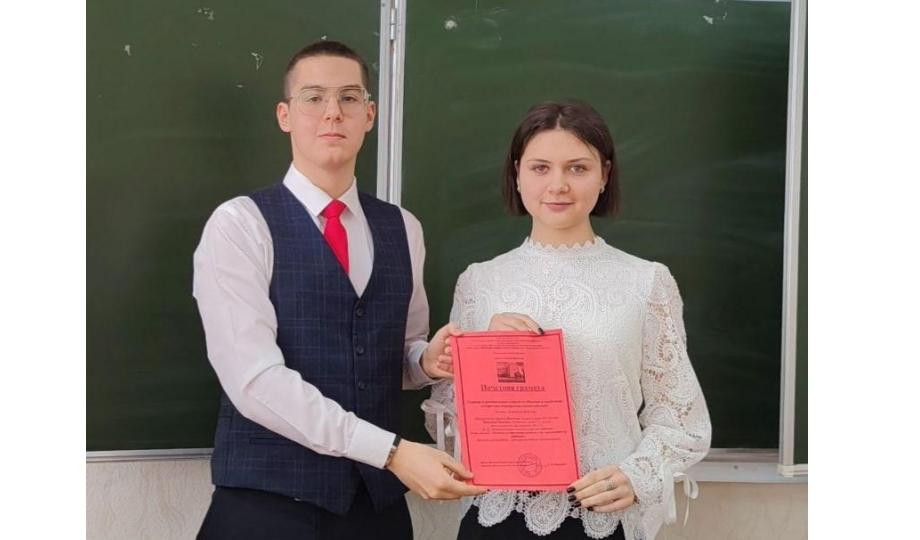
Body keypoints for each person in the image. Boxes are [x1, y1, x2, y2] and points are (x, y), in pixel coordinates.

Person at [192, 40, 484, 540]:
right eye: (314, 98)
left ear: (369, 115)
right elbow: (254, 381)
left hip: (375, 511)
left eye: (349, 98)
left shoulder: (403, 228)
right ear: (285, 115)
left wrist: (425, 361)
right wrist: (391, 452)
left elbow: (398, 352)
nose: (333, 112)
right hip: (267, 508)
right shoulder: (239, 225)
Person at [425, 101, 711, 540]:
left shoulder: (646, 281)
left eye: (577, 168)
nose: (557, 185)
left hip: (600, 518)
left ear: (604, 175)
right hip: (495, 517)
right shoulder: (479, 283)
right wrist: (481, 356)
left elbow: (681, 417)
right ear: (517, 174)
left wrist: (637, 475)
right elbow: (447, 423)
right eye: (540, 168)